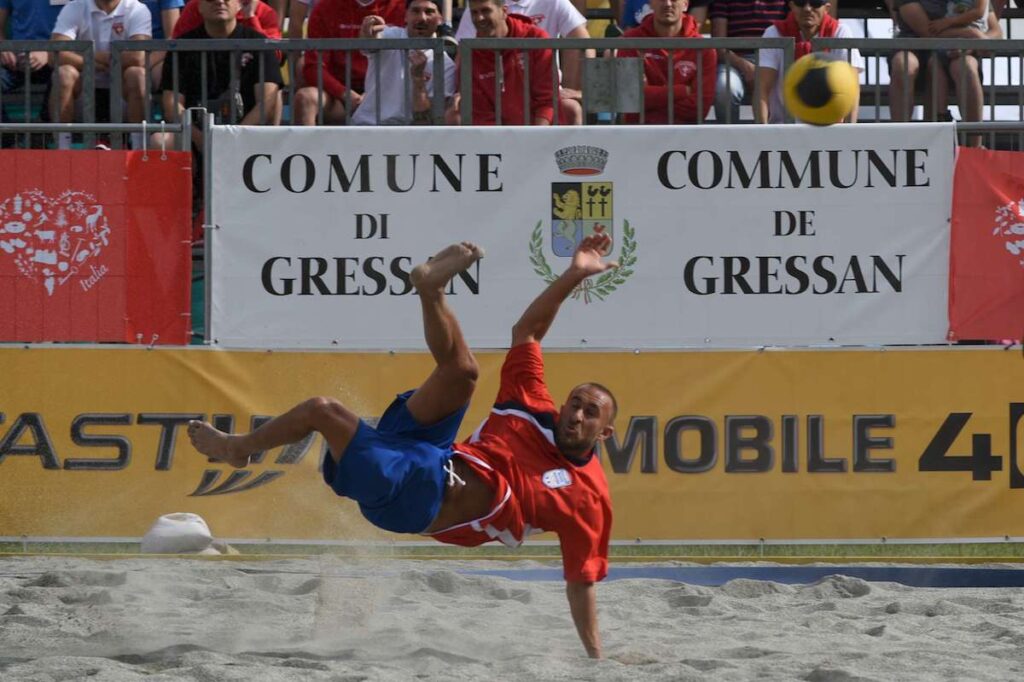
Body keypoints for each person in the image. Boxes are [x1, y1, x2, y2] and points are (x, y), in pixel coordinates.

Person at [188, 236, 619, 659]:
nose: (577, 415)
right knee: (463, 371)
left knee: (322, 410)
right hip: (434, 450)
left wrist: (596, 656)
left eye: (590, 414)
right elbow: (528, 331)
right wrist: (574, 274)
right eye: (575, 404)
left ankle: (238, 449)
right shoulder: (533, 404)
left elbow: (581, 582)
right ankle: (430, 290)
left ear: (604, 433)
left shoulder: (589, 498)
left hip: (416, 499)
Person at [155, 0, 282, 149]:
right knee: (160, 141)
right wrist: (202, 140)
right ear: (199, 7)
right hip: (195, 135)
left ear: (239, 4)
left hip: (246, 134)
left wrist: (235, 137)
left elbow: (266, 103)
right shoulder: (182, 47)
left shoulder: (260, 44)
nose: (220, 1)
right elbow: (172, 104)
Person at [454, 0, 589, 123]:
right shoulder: (471, 52)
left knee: (570, 109)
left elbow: (546, 100)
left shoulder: (536, 38)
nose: (479, 18)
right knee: (456, 114)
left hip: (540, 132)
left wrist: (534, 141)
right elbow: (481, 113)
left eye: (486, 11)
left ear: (504, 12)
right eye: (474, 13)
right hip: (497, 136)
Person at [50, 0, 152, 148]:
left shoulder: (138, 9)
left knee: (137, 75)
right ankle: (62, 149)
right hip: (82, 96)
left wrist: (87, 56)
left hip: (123, 96)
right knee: (64, 73)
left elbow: (138, 56)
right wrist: (97, 61)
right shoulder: (74, 7)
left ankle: (139, 149)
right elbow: (55, 53)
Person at [293, 0, 405, 125]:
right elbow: (313, 66)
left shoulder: (404, 7)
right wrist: (346, 95)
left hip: (387, 94)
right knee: (305, 98)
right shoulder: (324, 7)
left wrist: (371, 95)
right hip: (340, 98)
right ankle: (307, 145)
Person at [754, 0, 863, 124]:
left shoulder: (840, 31)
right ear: (791, 6)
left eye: (815, 3)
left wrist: (848, 135)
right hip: (784, 128)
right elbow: (761, 87)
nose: (807, 8)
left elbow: (852, 86)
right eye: (800, 2)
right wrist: (762, 135)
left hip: (831, 128)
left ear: (826, 8)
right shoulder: (773, 33)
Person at [353, 0, 456, 125]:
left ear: (440, 19)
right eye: (415, 11)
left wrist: (418, 80)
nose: (422, 18)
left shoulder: (446, 65)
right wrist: (368, 33)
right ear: (405, 16)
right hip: (366, 125)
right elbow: (369, 43)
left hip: (408, 135)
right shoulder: (391, 35)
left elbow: (426, 121)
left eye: (429, 12)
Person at [617, 0, 716, 124]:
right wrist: (681, 91)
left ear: (685, 5)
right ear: (651, 4)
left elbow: (699, 108)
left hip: (686, 135)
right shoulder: (630, 42)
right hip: (639, 133)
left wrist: (650, 98)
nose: (668, 4)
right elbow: (631, 98)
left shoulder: (704, 48)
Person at [710, 0, 788, 123]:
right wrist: (745, 66)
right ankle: (730, 137)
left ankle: (775, 137)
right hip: (734, 61)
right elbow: (719, 46)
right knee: (724, 88)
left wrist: (764, 69)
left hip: (774, 58)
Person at [0, 0, 63, 127]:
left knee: (64, 76)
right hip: (18, 59)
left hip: (58, 58)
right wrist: (3, 47)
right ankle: (7, 138)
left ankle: (43, 131)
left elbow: (81, 26)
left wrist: (48, 53)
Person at [172, 0, 280, 39]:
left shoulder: (264, 12)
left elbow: (275, 58)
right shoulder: (197, 6)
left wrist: (250, 17)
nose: (219, 2)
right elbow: (176, 52)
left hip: (249, 79)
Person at [139, 0, 183, 90]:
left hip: (158, 57)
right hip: (124, 54)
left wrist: (145, 62)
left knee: (165, 72)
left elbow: (173, 38)